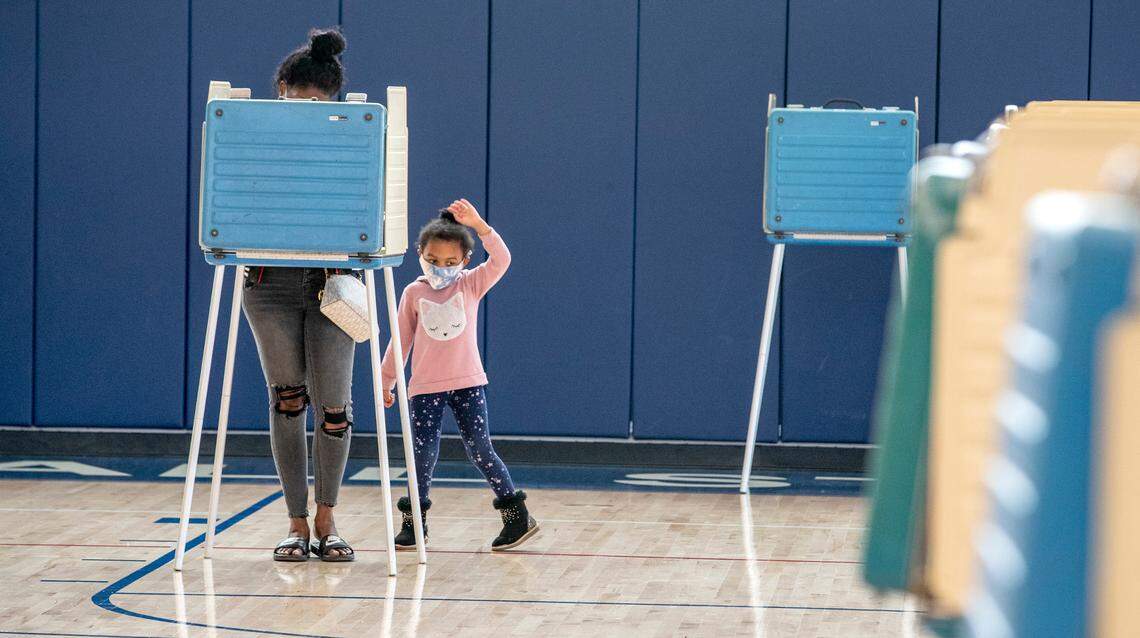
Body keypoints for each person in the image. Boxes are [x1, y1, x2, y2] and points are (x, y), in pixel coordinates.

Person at [243, 27, 357, 562]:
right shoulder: (251, 139)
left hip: (333, 282)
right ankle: (295, 522)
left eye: (320, 102)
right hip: (268, 284)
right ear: (282, 89)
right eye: (301, 98)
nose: (309, 109)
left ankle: (328, 518)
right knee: (288, 400)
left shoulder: (353, 140)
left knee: (334, 408)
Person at [381, 199, 539, 551]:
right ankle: (414, 523)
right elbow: (400, 340)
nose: (442, 268)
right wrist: (386, 380)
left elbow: (502, 259)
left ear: (464, 261)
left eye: (451, 262)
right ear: (421, 253)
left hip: (468, 383)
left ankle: (517, 517)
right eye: (434, 260)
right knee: (422, 454)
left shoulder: (470, 284)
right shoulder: (413, 293)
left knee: (480, 449)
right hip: (424, 389)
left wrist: (480, 225)